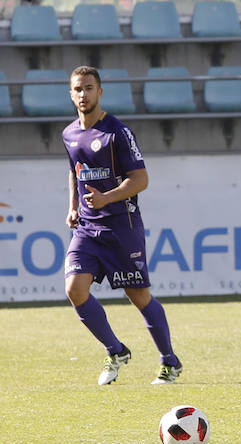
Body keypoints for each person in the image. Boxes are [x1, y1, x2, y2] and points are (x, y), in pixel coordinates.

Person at [62, 65, 183, 386]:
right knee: (74, 289)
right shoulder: (69, 133)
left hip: (121, 227)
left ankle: (169, 361)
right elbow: (74, 172)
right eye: (78, 89)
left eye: (89, 88)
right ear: (71, 93)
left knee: (138, 296)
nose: (83, 94)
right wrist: (73, 206)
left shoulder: (116, 132)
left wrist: (107, 198)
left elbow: (140, 179)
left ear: (99, 92)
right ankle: (115, 350)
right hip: (87, 229)